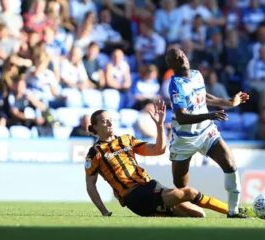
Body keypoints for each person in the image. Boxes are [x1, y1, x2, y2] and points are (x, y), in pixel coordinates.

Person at [85, 100, 232, 217]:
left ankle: (157, 212)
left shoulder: (126, 139)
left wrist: (159, 125)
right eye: (105, 121)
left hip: (151, 186)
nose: (110, 123)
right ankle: (233, 211)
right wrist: (103, 211)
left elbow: (158, 150)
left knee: (198, 214)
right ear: (95, 127)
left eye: (111, 120)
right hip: (134, 196)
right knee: (189, 193)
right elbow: (91, 185)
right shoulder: (95, 152)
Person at [165, 47, 250, 218]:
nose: (182, 59)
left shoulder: (197, 75)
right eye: (177, 58)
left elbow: (203, 96)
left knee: (230, 164)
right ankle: (177, 208)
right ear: (172, 64)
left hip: (206, 132)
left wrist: (229, 102)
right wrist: (209, 115)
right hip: (184, 139)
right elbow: (181, 117)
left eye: (182, 54)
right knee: (181, 186)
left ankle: (233, 211)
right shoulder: (175, 85)